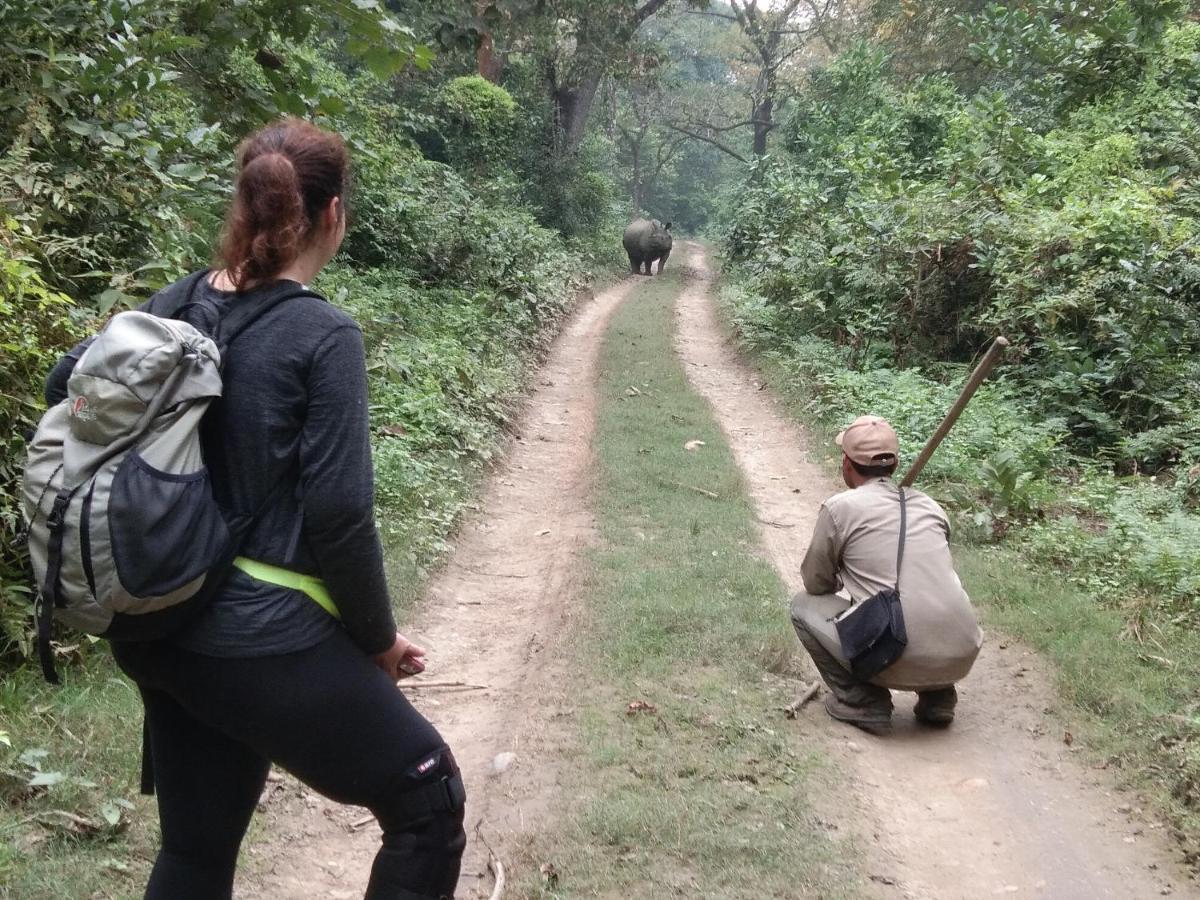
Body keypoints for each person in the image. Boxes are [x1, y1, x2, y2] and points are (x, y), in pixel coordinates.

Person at [44, 119, 466, 900]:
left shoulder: (175, 304)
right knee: (426, 801)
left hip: (157, 627)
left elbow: (63, 387)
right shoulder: (322, 332)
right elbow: (340, 512)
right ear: (332, 214)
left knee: (197, 851)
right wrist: (376, 640)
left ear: (242, 204)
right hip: (252, 638)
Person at [790, 415, 983, 732]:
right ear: (894, 465)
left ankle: (862, 700)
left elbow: (815, 583)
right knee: (927, 596)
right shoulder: (932, 507)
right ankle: (939, 696)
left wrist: (843, 575)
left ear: (847, 464)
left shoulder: (840, 508)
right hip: (961, 651)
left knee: (802, 606)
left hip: (893, 653)